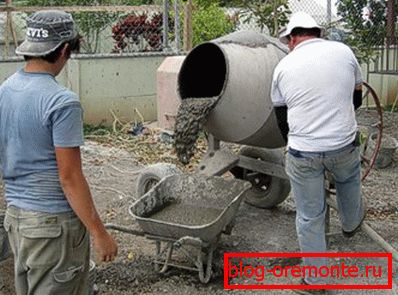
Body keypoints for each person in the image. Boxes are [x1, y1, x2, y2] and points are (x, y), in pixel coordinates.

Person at [0, 10, 118, 295]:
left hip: (17, 220)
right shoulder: (62, 102)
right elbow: (69, 177)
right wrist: (100, 233)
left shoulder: (5, 90)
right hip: (54, 228)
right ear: (65, 49)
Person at [271, 11, 365, 295]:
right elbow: (357, 96)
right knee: (349, 179)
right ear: (318, 33)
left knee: (310, 214)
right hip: (343, 145)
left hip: (304, 153)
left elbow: (281, 118)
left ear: (293, 38)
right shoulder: (344, 52)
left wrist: (299, 143)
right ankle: (350, 223)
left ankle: (316, 281)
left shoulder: (283, 67)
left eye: (288, 40)